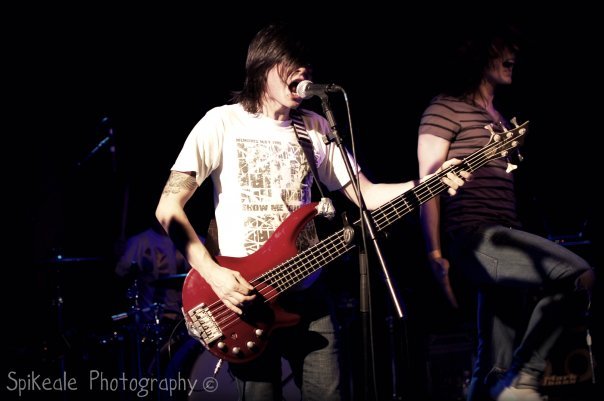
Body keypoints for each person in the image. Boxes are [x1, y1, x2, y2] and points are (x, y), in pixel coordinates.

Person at [155, 23, 468, 401]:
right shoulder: (221, 122)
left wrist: (429, 181)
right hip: (243, 297)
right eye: (292, 63)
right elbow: (168, 207)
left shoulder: (315, 127)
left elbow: (367, 194)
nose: (303, 71)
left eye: (306, 64)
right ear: (263, 66)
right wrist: (214, 275)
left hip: (308, 291)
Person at [417, 25, 596, 401]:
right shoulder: (445, 107)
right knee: (578, 275)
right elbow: (427, 185)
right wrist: (434, 253)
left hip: (505, 233)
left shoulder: (498, 117)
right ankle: (525, 378)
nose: (512, 54)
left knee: (492, 366)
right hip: (476, 236)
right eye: (503, 47)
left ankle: (506, 383)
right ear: (479, 55)